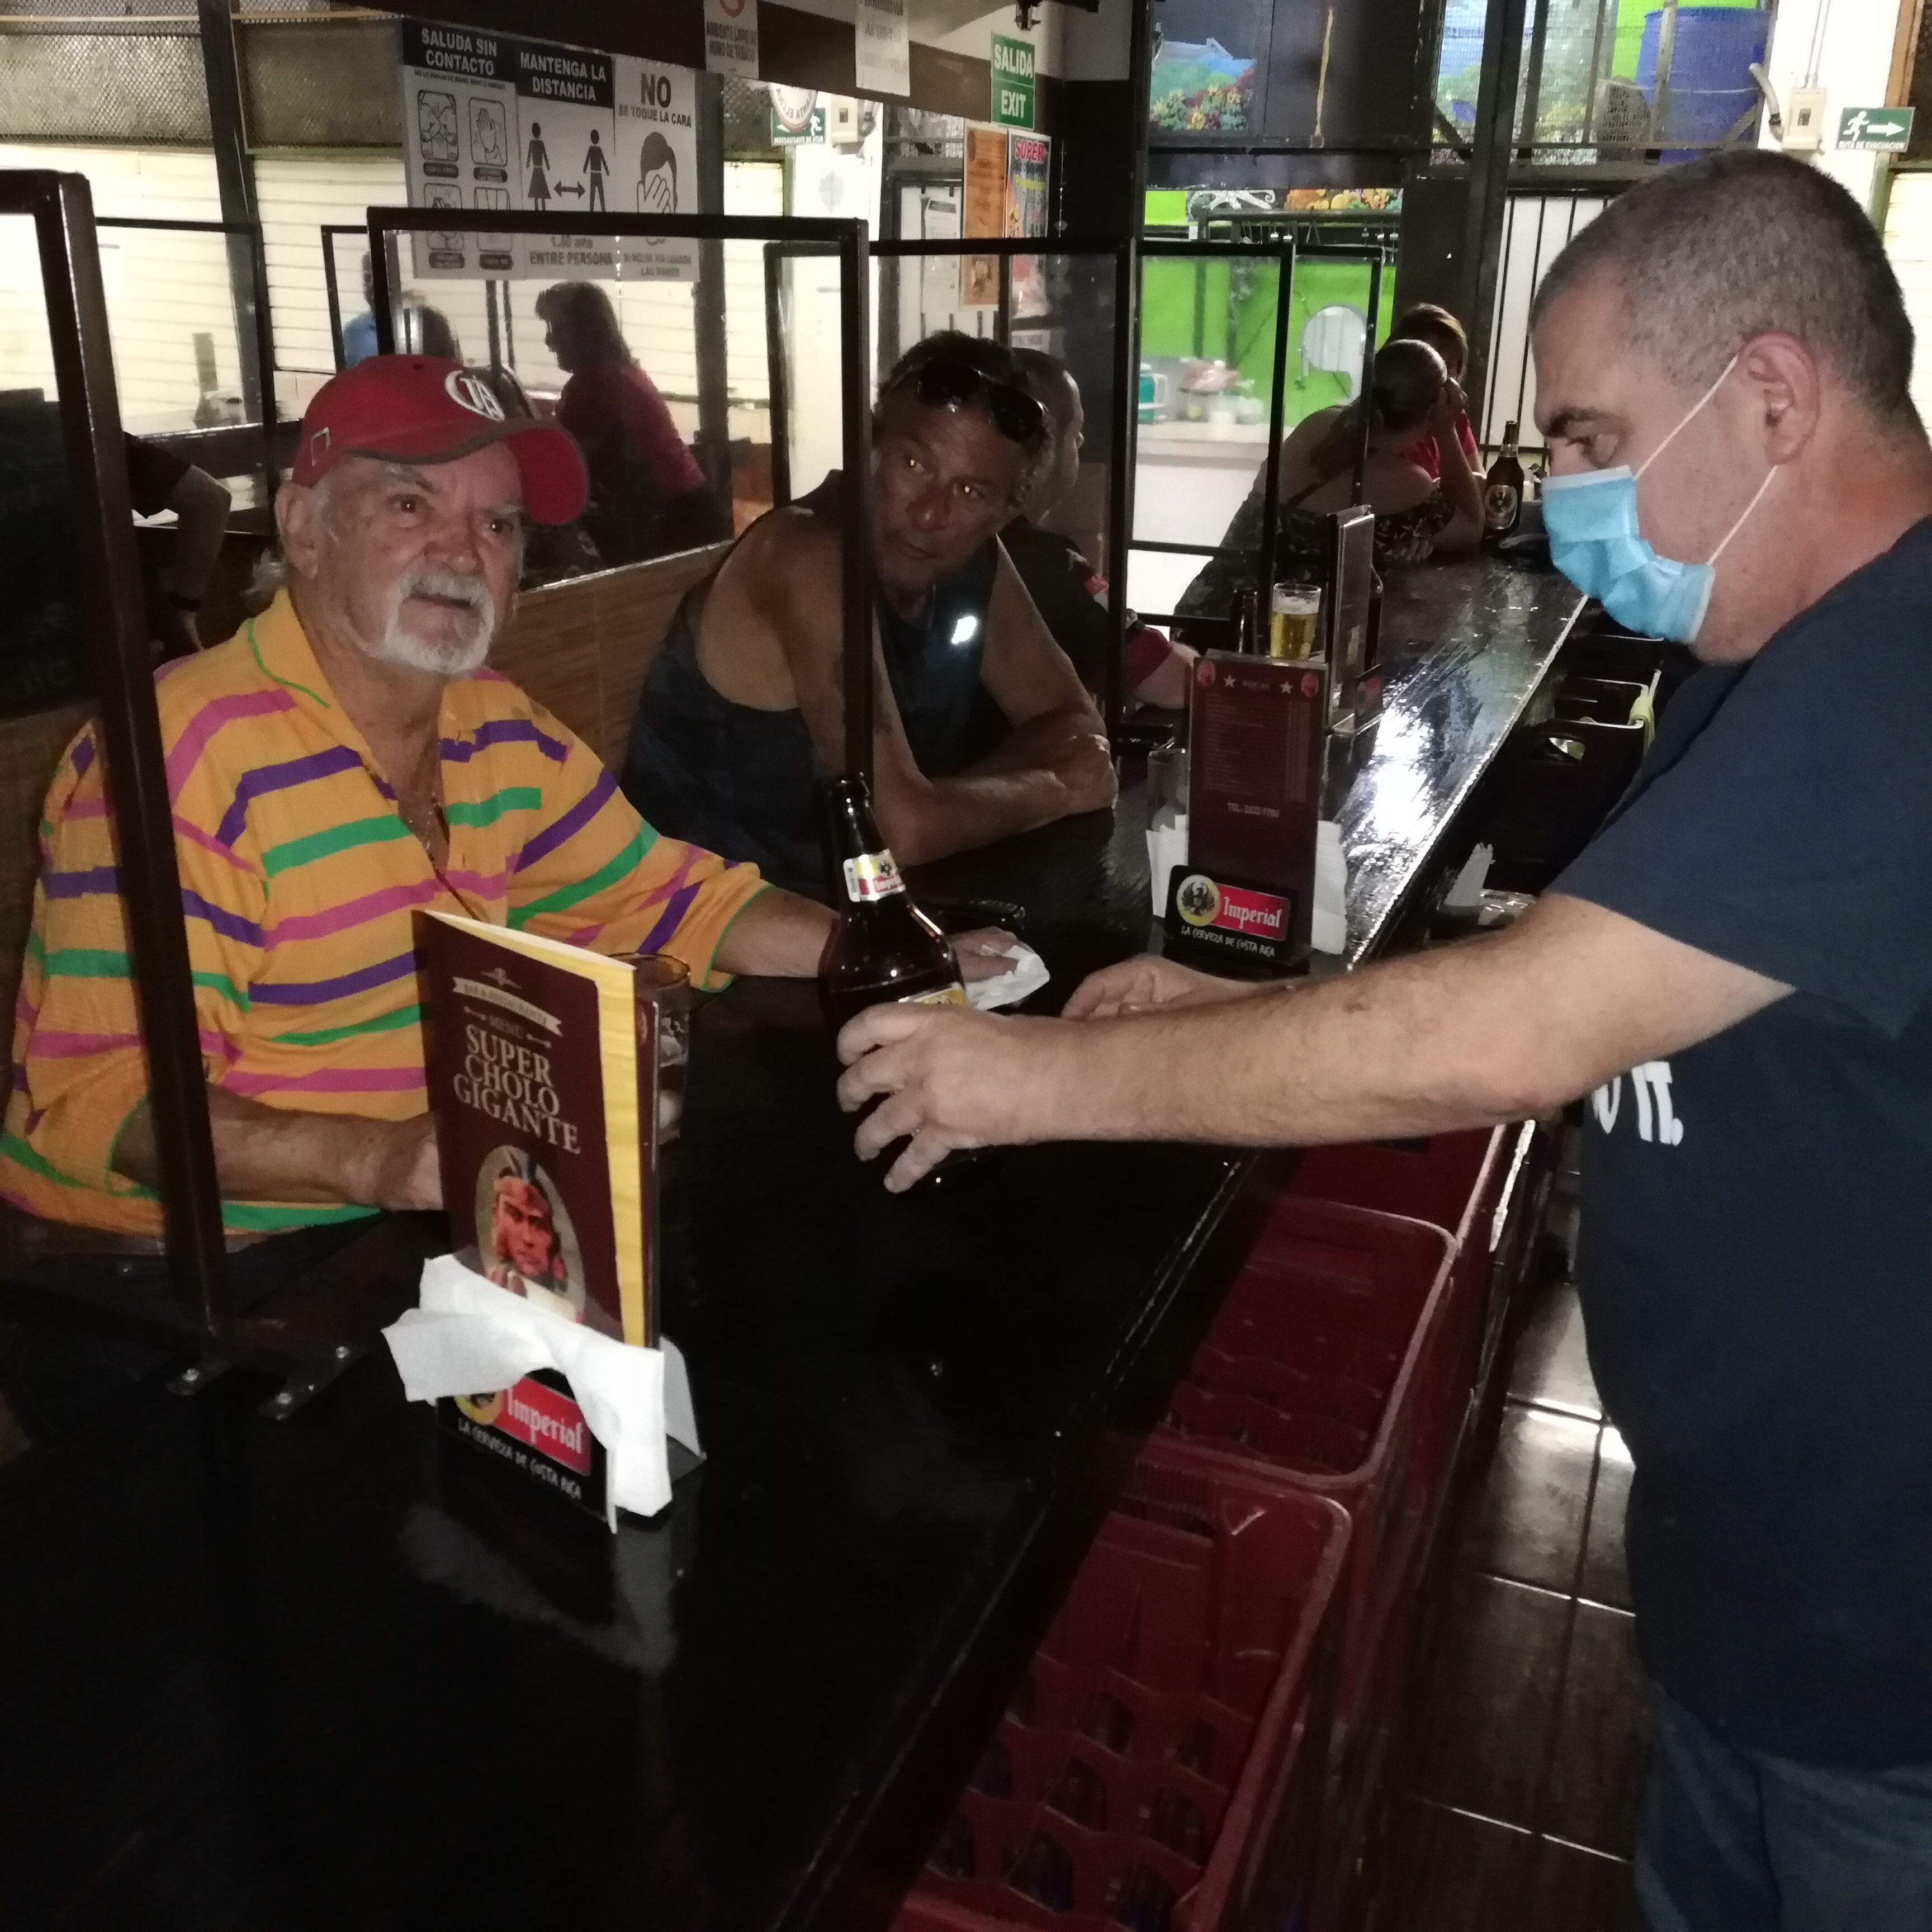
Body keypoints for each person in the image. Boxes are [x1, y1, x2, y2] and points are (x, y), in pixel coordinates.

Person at [837, 150, 1932, 1929]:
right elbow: (1629, 986)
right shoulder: (1778, 656)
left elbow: (1522, 1034)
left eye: (1586, 438)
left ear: (1774, 398)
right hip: (1769, 1594)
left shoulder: (1897, 683)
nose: (1560, 489)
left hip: (1892, 1675)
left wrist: (1030, 1077)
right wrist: (1257, 1007)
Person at [0, 354, 1006, 1239]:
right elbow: (104, 1103)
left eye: (496, 522)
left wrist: (880, 956)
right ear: (302, 526)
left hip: (426, 1222)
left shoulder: (492, 725)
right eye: (409, 506)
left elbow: (669, 896)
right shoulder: (178, 756)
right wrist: (386, 1160)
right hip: (190, 1288)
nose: (461, 549)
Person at [620, 333, 1117, 896]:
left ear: (1005, 515)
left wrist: (938, 809)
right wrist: (1052, 790)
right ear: (866, 447)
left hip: (847, 915)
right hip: (698, 941)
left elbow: (1075, 727)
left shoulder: (973, 557)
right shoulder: (804, 555)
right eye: (913, 464)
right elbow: (900, 831)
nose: (931, 513)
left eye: (972, 492)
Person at [1171, 338, 1484, 643]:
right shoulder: (1408, 482)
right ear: (1434, 408)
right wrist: (1447, 428)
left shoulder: (1318, 423)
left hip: (1203, 616)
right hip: (1273, 641)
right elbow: (1471, 527)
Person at [1001, 345, 1195, 710]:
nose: (1082, 444)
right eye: (1075, 433)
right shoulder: (1047, 564)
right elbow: (1176, 684)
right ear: (1044, 450)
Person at [534, 280, 727, 564]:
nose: (549, 341)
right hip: (694, 513)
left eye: (556, 329)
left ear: (583, 332)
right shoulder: (621, 370)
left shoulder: (594, 385)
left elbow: (566, 467)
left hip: (669, 523)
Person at [1389, 301, 1482, 481]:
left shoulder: (1454, 417)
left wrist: (1447, 430)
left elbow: (1480, 485)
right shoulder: (1388, 420)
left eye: (1449, 366)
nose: (1441, 375)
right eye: (1432, 364)